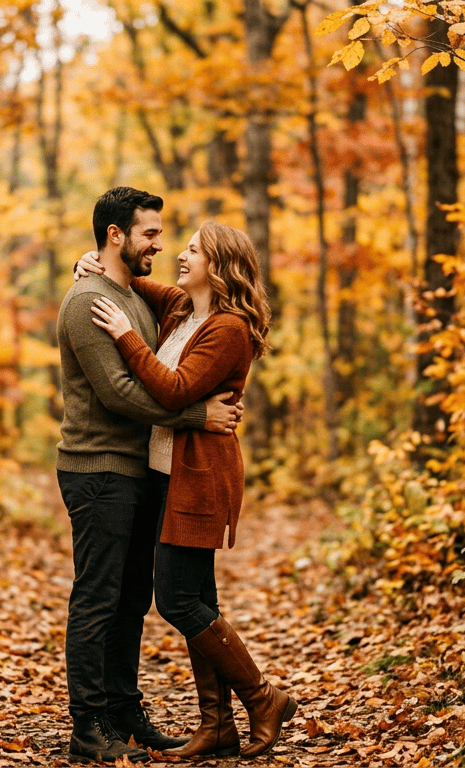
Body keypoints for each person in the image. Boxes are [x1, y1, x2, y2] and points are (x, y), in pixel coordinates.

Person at [76, 221, 298, 759]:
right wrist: (94, 262)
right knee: (200, 598)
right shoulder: (182, 310)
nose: (179, 253)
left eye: (193, 250)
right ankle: (216, 726)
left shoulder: (228, 329)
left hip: (198, 477)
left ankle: (261, 696)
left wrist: (126, 338)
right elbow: (133, 279)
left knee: (177, 599)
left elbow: (174, 390)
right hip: (165, 476)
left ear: (217, 265)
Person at [56, 187, 243, 764]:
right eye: (151, 235)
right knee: (98, 599)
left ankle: (123, 713)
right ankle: (88, 727)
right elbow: (117, 393)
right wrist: (198, 415)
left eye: (164, 236)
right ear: (116, 235)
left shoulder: (133, 295)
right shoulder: (88, 300)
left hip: (135, 472)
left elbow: (162, 354)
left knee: (132, 599)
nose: (159, 246)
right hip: (96, 469)